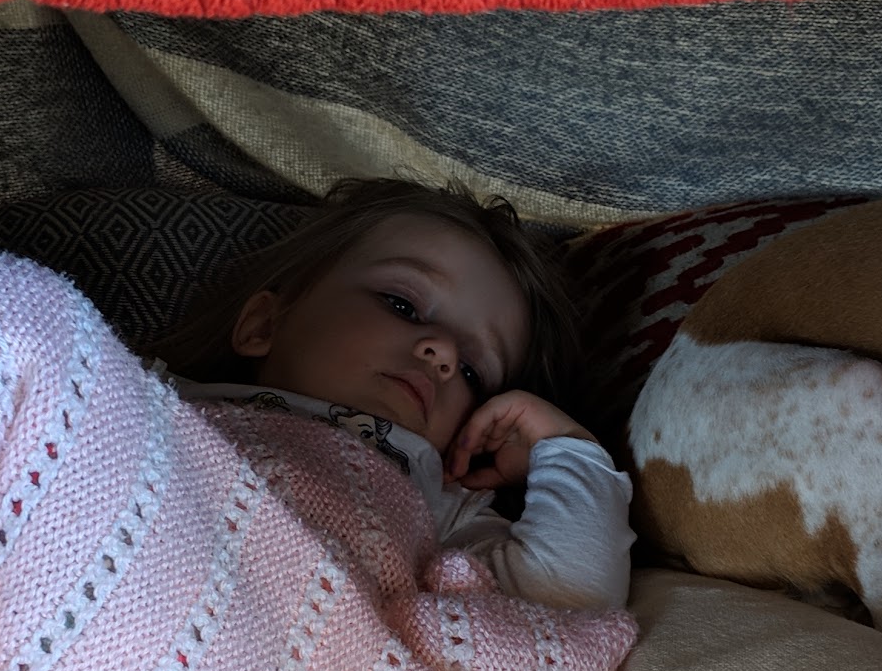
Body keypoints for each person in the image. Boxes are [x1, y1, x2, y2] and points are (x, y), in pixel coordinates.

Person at [151, 178, 635, 610]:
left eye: (471, 371)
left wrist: (566, 445)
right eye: (403, 305)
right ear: (263, 325)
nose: (443, 352)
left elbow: (571, 598)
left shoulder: (436, 503)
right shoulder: (156, 397)